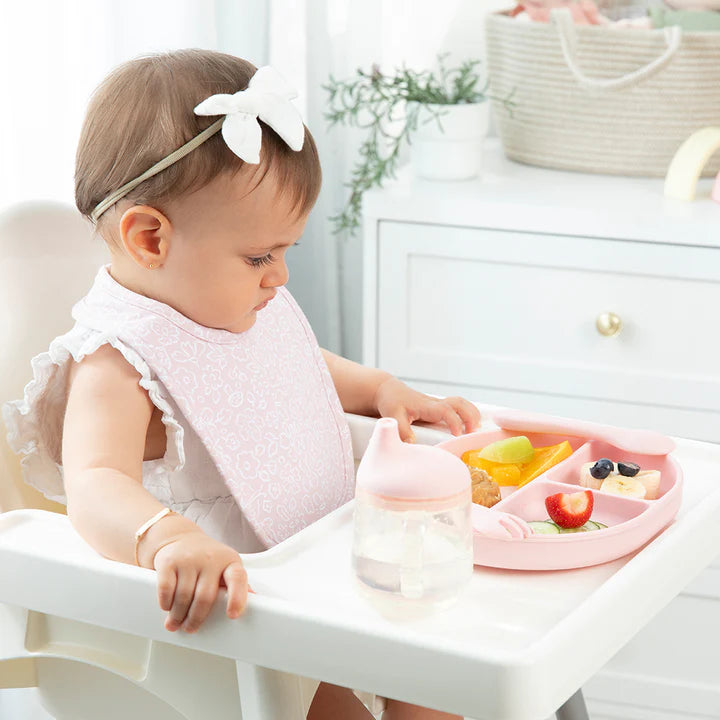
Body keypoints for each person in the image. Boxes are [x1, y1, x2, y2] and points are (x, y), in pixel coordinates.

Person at [3, 49, 480, 719]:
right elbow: (95, 483)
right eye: (260, 256)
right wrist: (168, 540)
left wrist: (378, 390)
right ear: (150, 239)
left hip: (313, 563)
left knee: (440, 676)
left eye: (285, 251)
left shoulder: (226, 300)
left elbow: (293, 361)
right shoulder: (116, 360)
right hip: (224, 617)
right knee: (328, 704)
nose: (279, 276)